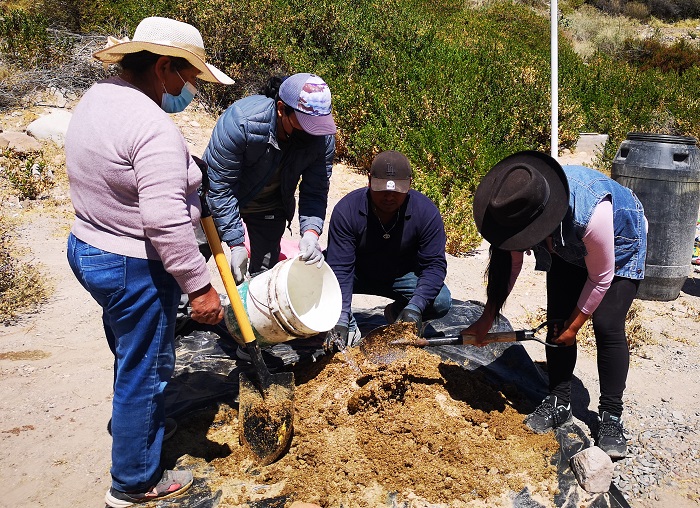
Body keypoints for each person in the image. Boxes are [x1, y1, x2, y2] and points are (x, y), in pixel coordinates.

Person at [64, 17, 232, 506]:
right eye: (190, 77)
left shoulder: (100, 97)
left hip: (88, 246)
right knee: (148, 367)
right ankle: (134, 481)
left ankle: (137, 425)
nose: (192, 88)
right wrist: (199, 287)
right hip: (130, 264)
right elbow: (162, 220)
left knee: (128, 350)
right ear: (164, 67)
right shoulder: (153, 126)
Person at [466, 150, 647, 459]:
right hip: (566, 242)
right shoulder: (513, 206)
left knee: (607, 325)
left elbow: (601, 278)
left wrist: (575, 327)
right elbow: (509, 266)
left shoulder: (591, 213)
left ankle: (611, 416)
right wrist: (486, 318)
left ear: (542, 218)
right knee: (556, 321)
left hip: (619, 240)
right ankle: (559, 400)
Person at [202, 72, 337, 285]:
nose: (313, 133)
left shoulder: (322, 139)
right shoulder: (241, 121)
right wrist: (236, 243)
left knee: (263, 279)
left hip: (269, 206)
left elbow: (315, 191)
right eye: (306, 124)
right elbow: (219, 186)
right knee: (192, 260)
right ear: (282, 109)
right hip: (221, 200)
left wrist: (310, 233)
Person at [324, 150, 452, 349]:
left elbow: (434, 266)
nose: (389, 197)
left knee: (441, 301)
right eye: (382, 189)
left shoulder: (426, 212)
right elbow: (340, 267)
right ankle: (348, 326)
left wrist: (416, 306)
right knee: (315, 287)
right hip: (356, 272)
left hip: (401, 275)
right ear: (369, 181)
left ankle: (398, 313)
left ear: (409, 184)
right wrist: (340, 318)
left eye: (397, 191)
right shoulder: (347, 210)